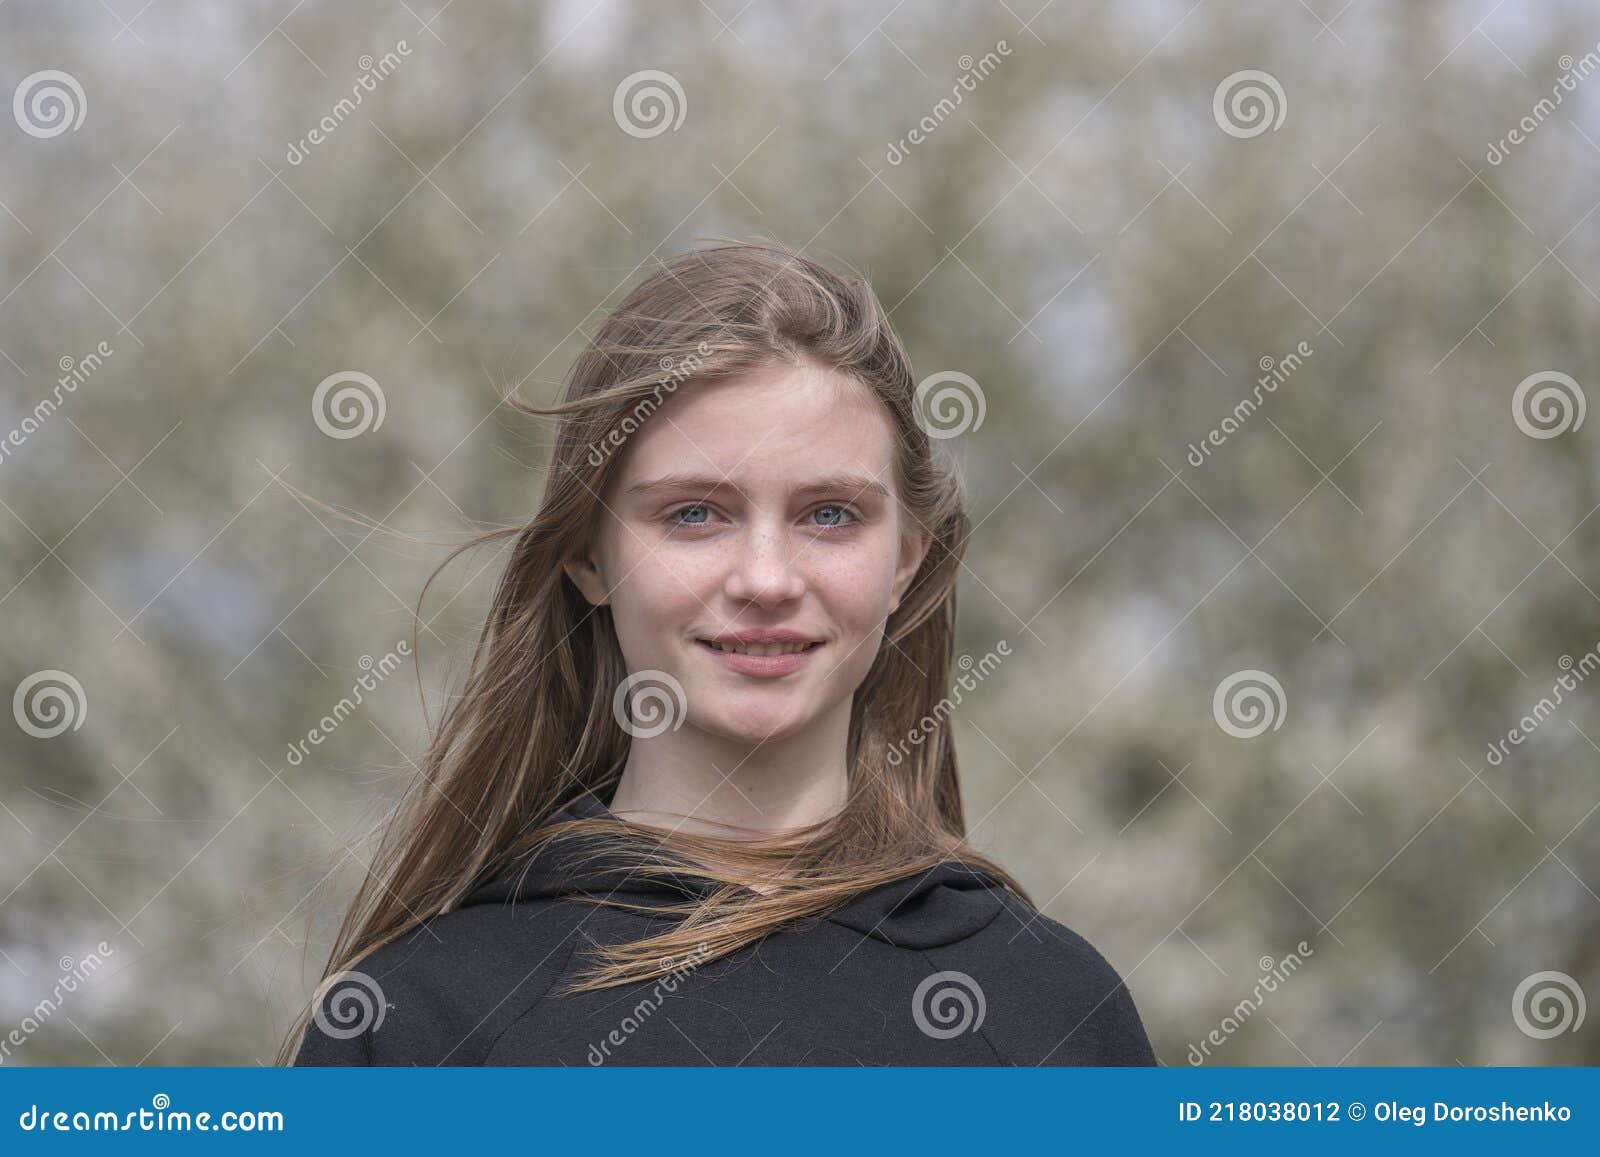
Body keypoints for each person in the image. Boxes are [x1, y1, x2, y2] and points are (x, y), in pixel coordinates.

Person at [284, 238, 1156, 1066]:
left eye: (829, 514)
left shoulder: (1051, 1014)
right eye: (695, 513)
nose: (767, 578)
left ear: (905, 558)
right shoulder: (416, 1026)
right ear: (590, 555)